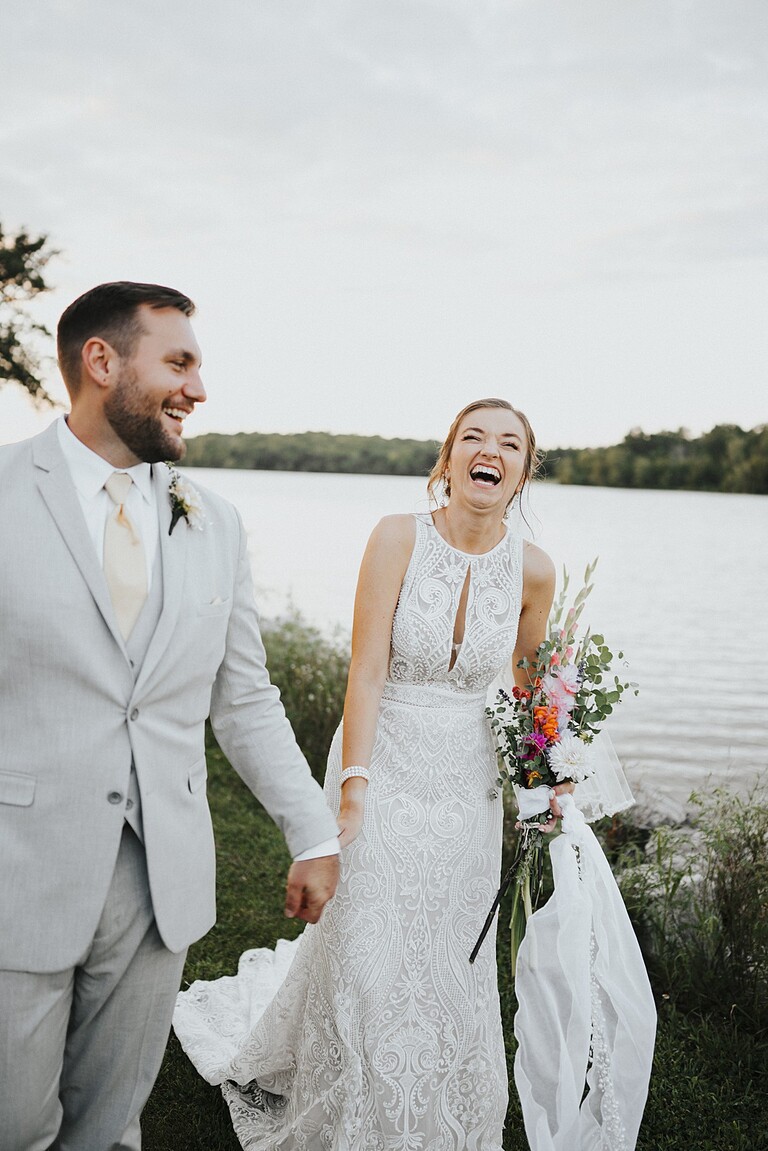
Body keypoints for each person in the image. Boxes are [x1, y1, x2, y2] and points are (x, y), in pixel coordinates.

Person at [0, 281, 341, 1151]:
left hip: (160, 881)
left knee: (113, 1126)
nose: (199, 388)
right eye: (179, 363)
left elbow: (246, 696)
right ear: (102, 361)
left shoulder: (214, 521)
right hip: (18, 866)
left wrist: (313, 831)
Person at [174, 398, 561, 1149]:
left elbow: (530, 689)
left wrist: (548, 775)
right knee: (368, 940)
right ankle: (356, 1097)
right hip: (381, 758)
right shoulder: (396, 536)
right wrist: (354, 787)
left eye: (509, 444)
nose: (490, 450)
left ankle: (434, 1101)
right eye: (473, 437)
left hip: (467, 782)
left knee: (446, 950)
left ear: (523, 471)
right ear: (448, 458)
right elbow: (367, 670)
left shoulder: (536, 570)